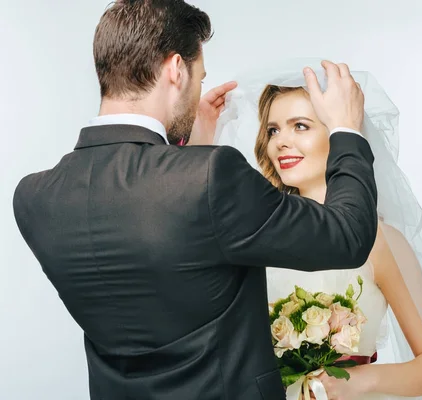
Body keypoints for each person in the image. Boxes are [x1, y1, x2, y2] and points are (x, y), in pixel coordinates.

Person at [11, 2, 379, 400]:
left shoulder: (34, 198)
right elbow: (347, 236)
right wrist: (345, 130)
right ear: (176, 69)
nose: (199, 89)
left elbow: (163, 251)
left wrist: (188, 150)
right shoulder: (210, 176)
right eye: (199, 77)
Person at [214, 59, 422, 399]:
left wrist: (357, 381)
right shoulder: (256, 233)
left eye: (300, 126)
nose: (281, 141)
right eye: (273, 130)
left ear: (337, 132)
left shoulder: (380, 241)